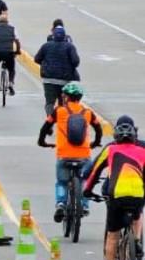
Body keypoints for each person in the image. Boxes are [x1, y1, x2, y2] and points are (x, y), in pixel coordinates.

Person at [84, 115, 145, 260]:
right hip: (137, 195)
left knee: (112, 235)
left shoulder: (111, 149)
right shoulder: (142, 150)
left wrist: (87, 191)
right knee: (138, 213)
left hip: (115, 195)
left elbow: (93, 172)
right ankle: (137, 241)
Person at [38, 82, 103, 222]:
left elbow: (45, 127)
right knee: (85, 179)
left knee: (61, 182)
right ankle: (84, 205)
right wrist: (96, 143)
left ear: (66, 97)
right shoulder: (87, 113)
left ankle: (61, 203)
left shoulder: (59, 111)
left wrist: (42, 142)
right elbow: (99, 129)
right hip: (84, 155)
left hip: (64, 154)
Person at [33, 25, 80, 114]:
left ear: (53, 35)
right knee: (63, 103)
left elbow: (37, 59)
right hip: (64, 80)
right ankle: (62, 121)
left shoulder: (46, 46)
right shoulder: (70, 47)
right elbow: (76, 62)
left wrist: (45, 65)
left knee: (49, 103)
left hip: (48, 80)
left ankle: (49, 122)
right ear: (64, 35)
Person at [0, 13, 20, 95]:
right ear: (7, 21)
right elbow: (17, 41)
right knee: (11, 68)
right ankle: (10, 83)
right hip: (9, 52)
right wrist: (17, 51)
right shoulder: (12, 29)